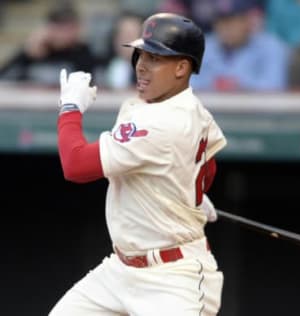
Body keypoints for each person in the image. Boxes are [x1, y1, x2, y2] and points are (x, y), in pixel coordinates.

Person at [49, 13, 226, 316]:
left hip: (172, 279)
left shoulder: (162, 122)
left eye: (155, 58)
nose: (141, 65)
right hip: (119, 270)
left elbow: (75, 166)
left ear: (182, 68)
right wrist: (186, 191)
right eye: (141, 53)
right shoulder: (189, 108)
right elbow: (207, 168)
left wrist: (70, 108)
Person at [190, 0, 289, 92]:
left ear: (247, 21)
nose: (226, 28)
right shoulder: (201, 45)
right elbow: (187, 85)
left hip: (257, 109)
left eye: (233, 21)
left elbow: (275, 86)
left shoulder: (271, 47)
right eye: (221, 21)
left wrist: (238, 84)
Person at [0, 2, 96, 86]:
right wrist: (26, 55)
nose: (63, 34)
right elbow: (4, 77)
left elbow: (91, 82)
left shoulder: (82, 52)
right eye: (59, 27)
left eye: (69, 28)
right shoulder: (33, 50)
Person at [103, 12, 143, 89]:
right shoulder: (101, 67)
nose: (126, 40)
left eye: (130, 35)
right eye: (122, 35)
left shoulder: (153, 72)